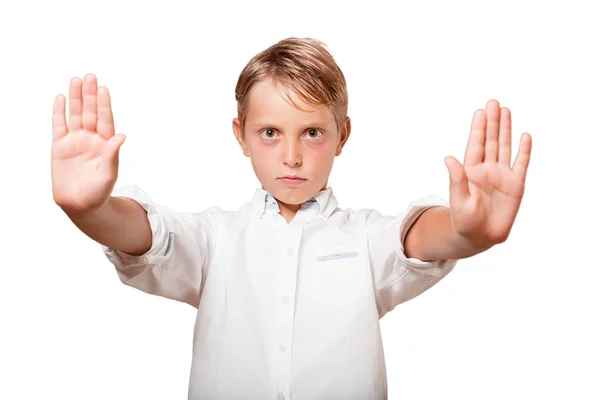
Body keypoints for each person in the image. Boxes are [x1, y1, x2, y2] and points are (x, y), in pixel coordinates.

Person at [51, 37, 532, 400]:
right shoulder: (217, 237)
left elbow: (418, 239)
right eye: (269, 132)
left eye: (313, 133)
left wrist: (467, 233)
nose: (292, 156)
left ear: (343, 135)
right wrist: (91, 209)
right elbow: (148, 236)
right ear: (240, 136)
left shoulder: (365, 237)